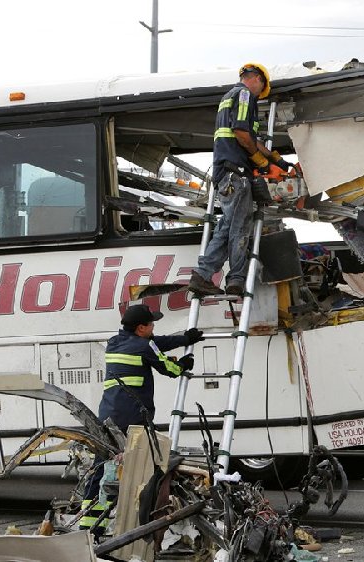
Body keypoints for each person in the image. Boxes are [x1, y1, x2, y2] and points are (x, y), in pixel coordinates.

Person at [188, 62, 293, 297]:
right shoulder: (245, 95)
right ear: (256, 78)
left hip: (226, 174)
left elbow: (249, 139)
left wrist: (276, 159)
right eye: (262, 88)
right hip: (237, 175)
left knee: (226, 227)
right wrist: (262, 163)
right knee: (240, 228)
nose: (260, 94)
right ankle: (235, 278)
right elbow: (241, 133)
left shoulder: (229, 97)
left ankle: (202, 275)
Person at [82, 304, 204, 502]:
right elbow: (170, 369)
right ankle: (148, 508)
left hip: (107, 416)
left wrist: (185, 339)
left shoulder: (114, 342)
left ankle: (89, 518)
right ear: (141, 328)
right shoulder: (143, 347)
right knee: (148, 465)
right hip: (134, 418)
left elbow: (155, 343)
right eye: (151, 324)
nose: (153, 327)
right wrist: (183, 364)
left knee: (102, 464)